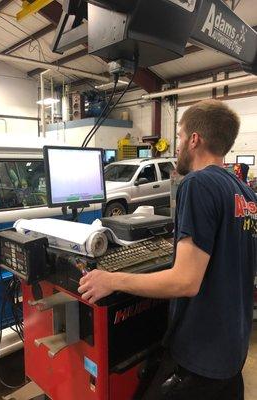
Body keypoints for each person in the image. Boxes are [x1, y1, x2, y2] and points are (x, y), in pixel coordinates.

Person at [78, 99, 257, 400]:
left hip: (201, 355)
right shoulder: (244, 192)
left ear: (195, 140)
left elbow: (185, 281)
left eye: (181, 136)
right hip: (232, 349)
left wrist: (111, 279)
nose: (178, 145)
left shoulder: (197, 184)